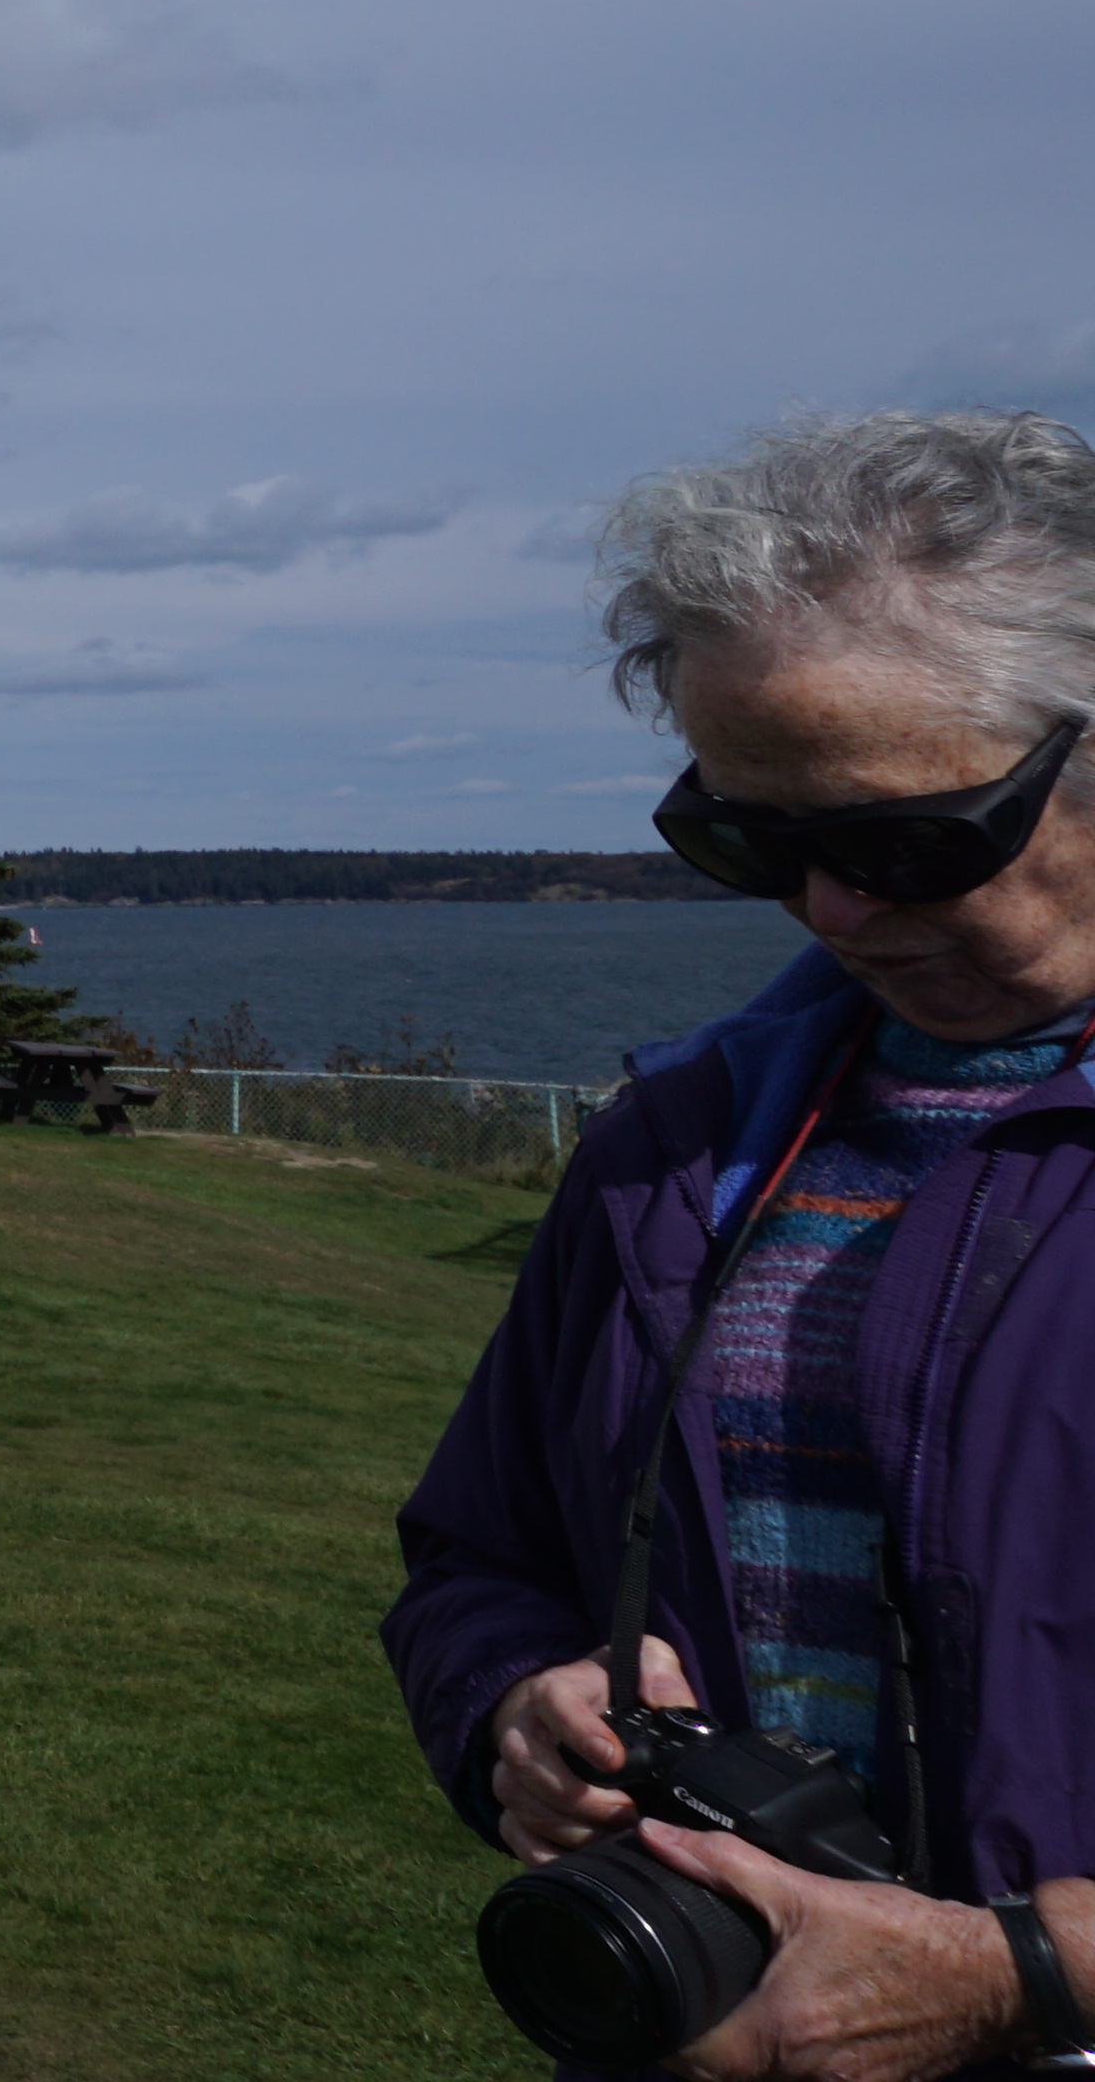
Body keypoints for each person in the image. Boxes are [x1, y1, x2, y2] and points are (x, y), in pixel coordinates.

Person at [391, 410, 1095, 2082]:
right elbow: (479, 1555)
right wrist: (515, 1706)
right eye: (751, 842)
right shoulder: (678, 1141)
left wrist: (1027, 1976)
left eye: (909, 840)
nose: (833, 909)